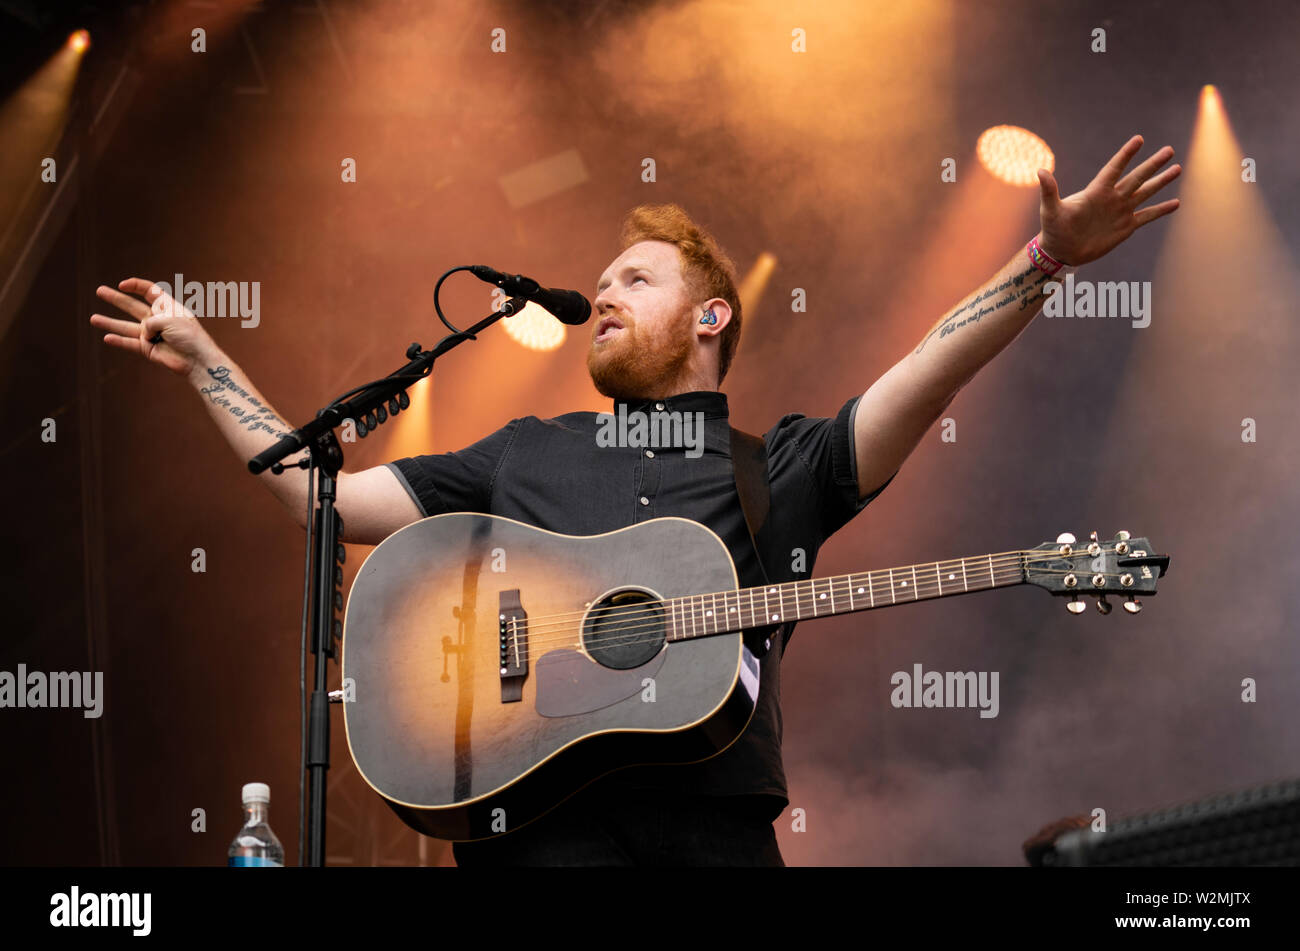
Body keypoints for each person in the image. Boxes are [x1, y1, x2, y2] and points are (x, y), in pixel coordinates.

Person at [89, 136, 1180, 865]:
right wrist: (201, 356)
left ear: (711, 319)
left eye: (635, 279)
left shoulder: (777, 469)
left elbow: (926, 368)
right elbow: (311, 492)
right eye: (600, 281)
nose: (601, 292)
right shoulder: (526, 449)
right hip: (526, 843)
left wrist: (1045, 259)